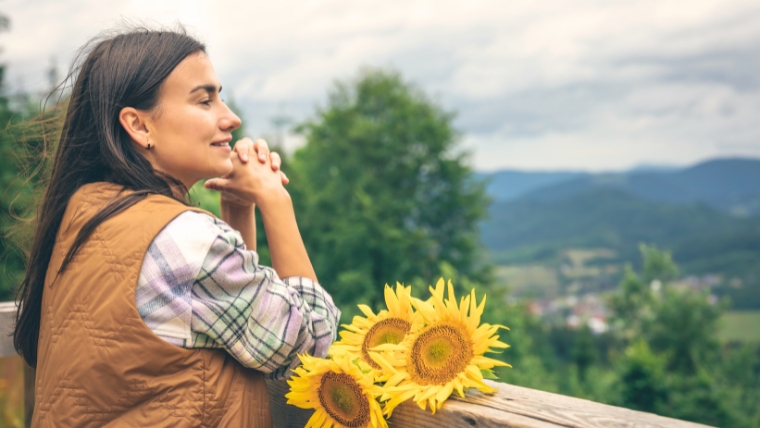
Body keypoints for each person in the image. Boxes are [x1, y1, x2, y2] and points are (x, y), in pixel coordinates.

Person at [13, 25, 340, 427]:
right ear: (139, 126)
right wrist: (275, 199)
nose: (231, 118)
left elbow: (233, 325)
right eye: (205, 101)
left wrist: (238, 209)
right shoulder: (184, 240)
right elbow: (311, 350)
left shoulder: (87, 211)